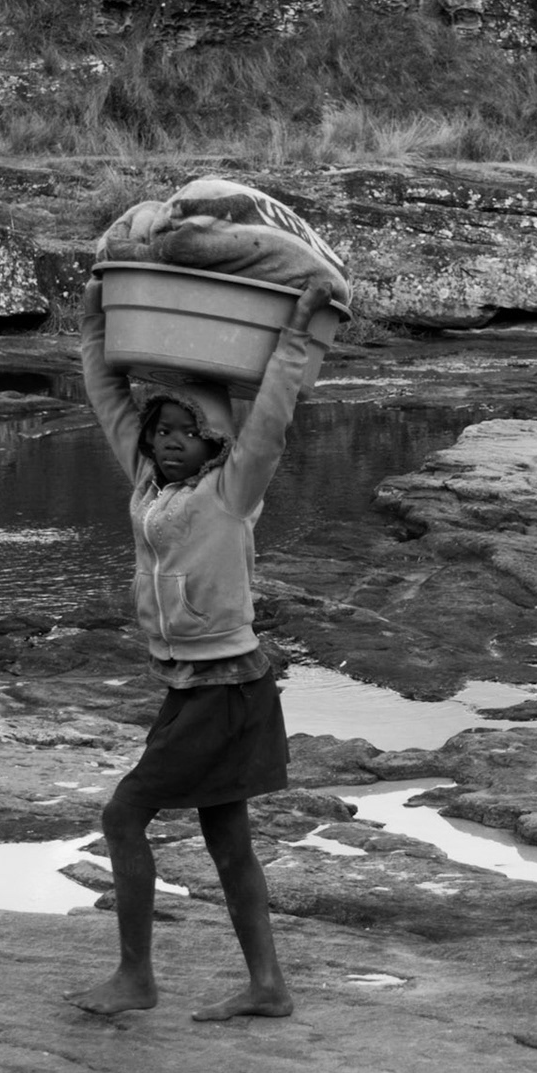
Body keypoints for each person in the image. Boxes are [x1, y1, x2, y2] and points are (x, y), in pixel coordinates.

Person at [65, 274, 333, 1021]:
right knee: (228, 836)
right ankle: (269, 987)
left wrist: (296, 334)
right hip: (193, 686)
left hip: (228, 687)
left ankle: (136, 979)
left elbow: (272, 414)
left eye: (185, 430)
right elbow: (110, 399)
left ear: (214, 439)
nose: (167, 440)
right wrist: (93, 326)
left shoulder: (232, 490)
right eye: (160, 430)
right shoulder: (148, 485)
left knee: (124, 815)